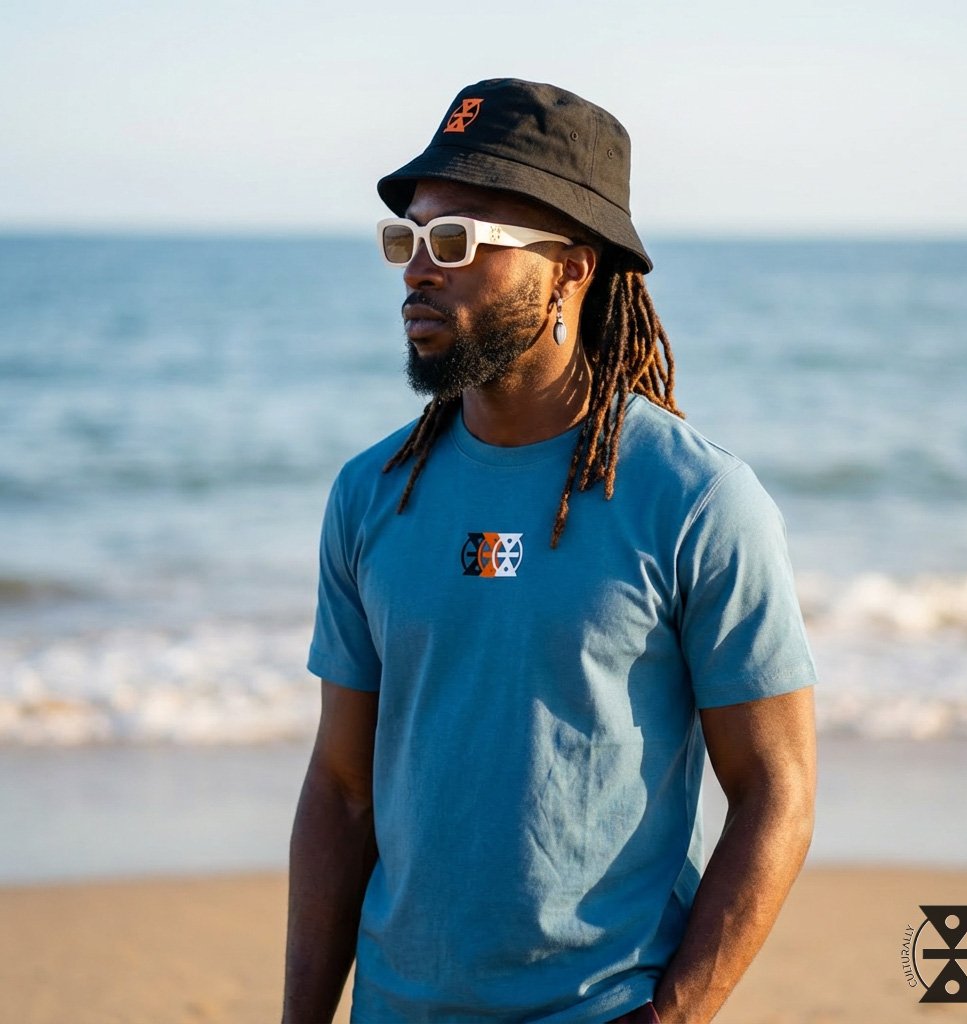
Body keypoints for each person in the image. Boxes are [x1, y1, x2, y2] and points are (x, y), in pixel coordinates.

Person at [283, 78, 817, 1024]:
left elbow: (778, 791)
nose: (418, 270)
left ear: (570, 268)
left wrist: (672, 1016)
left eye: (457, 241)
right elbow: (341, 790)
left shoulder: (697, 501)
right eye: (408, 237)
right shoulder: (371, 495)